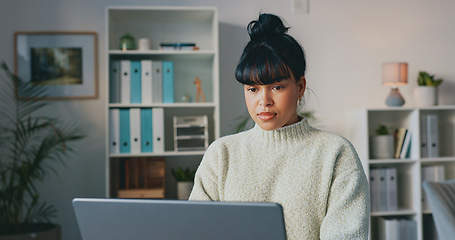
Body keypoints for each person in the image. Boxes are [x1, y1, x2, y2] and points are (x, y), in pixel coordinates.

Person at [189, 13, 369, 239]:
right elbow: (196, 231)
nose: (264, 101)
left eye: (276, 87)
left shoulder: (335, 153)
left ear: (300, 86)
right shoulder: (221, 154)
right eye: (252, 89)